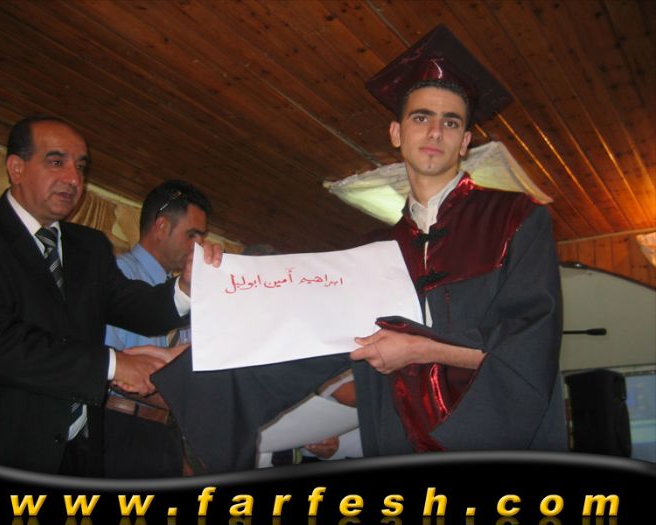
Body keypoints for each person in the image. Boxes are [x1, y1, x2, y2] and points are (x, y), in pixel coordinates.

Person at [153, 25, 567, 473]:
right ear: (396, 133)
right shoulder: (375, 251)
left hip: (492, 444)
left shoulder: (516, 218)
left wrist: (422, 349)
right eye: (421, 118)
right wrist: (199, 363)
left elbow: (531, 345)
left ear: (465, 141)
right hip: (401, 443)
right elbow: (303, 336)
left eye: (451, 122)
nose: (435, 131)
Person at [0, 116, 221, 476]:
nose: (73, 179)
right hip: (5, 449)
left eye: (80, 167)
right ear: (16, 168)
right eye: (56, 161)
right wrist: (113, 364)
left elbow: (137, 307)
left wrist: (187, 287)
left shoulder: (89, 246)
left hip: (83, 453)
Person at [103, 180, 212, 478]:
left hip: (164, 433)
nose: (198, 247)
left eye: (202, 238)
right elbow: (107, 367)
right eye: (192, 235)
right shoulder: (117, 275)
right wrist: (185, 403)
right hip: (121, 427)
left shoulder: (181, 293)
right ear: (162, 227)